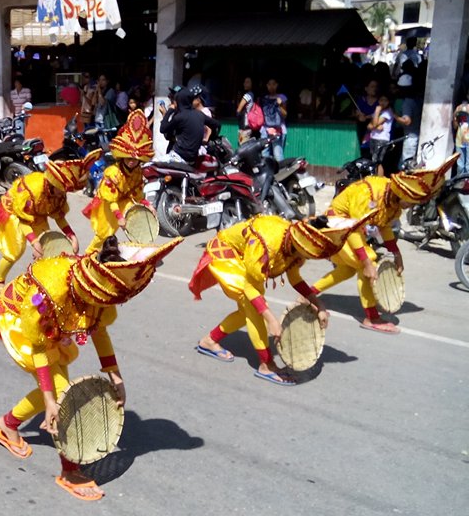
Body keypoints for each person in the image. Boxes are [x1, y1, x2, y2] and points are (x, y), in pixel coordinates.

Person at [0, 235, 182, 500]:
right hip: (24, 322)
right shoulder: (52, 289)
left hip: (54, 325)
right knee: (64, 397)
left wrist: (116, 376)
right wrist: (52, 401)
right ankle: (70, 471)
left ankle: (8, 424)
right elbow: (39, 344)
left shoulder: (99, 294)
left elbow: (99, 331)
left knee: (56, 392)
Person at [190, 214, 367, 385]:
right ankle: (266, 364)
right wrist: (272, 321)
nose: (303, 259)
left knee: (248, 309)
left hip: (243, 256)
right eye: (304, 255)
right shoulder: (267, 243)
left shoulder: (295, 245)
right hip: (225, 253)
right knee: (251, 305)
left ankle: (209, 341)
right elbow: (250, 288)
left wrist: (319, 304)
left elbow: (295, 279)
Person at [310, 158, 456, 334]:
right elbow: (354, 230)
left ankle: (308, 294)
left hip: (349, 228)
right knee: (366, 262)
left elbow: (384, 225)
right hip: (335, 226)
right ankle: (371, 317)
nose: (410, 207)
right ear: (402, 193)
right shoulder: (368, 193)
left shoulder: (394, 203)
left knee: (348, 270)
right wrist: (367, 263)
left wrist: (397, 253)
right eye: (410, 202)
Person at [0, 151, 98, 293]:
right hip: (15, 212)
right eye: (62, 188)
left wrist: (72, 235)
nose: (64, 193)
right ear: (53, 183)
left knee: (47, 246)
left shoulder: (59, 193)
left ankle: (39, 280)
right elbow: (23, 220)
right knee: (14, 252)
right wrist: (34, 242)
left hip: (37, 212)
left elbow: (59, 216)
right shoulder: (33, 190)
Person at [84, 109, 155, 254]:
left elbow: (137, 196)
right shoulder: (113, 173)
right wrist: (119, 217)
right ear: (122, 156)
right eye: (129, 158)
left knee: (138, 221)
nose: (131, 162)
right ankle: (87, 257)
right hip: (110, 205)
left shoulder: (137, 172)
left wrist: (148, 205)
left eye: (135, 159)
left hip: (125, 201)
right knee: (104, 234)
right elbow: (111, 201)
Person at [159, 87, 220, 165]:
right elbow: (217, 125)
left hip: (179, 156)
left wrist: (169, 111)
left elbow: (163, 129)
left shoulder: (180, 117)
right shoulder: (199, 114)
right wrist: (211, 139)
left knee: (152, 165)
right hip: (193, 158)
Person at [260, 79, 288, 161]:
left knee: (278, 154)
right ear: (267, 85)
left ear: (277, 85)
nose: (271, 86)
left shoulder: (282, 97)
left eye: (273, 84)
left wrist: (281, 105)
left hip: (278, 130)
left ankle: (282, 172)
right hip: (265, 129)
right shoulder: (264, 98)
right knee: (264, 154)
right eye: (269, 84)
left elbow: (285, 114)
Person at [368, 94, 395, 176]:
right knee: (373, 160)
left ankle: (379, 180)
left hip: (382, 139)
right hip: (374, 138)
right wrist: (374, 126)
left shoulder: (388, 112)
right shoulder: (380, 112)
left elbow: (375, 123)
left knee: (378, 162)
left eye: (385, 100)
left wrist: (376, 112)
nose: (383, 102)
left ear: (389, 102)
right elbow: (369, 126)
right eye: (381, 100)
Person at [235, 76, 257, 144]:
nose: (245, 84)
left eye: (247, 82)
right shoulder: (253, 95)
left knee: (243, 146)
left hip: (245, 125)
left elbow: (239, 109)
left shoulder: (247, 95)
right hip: (250, 125)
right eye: (244, 82)